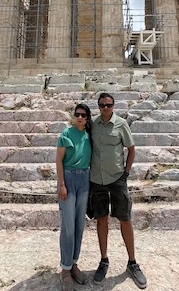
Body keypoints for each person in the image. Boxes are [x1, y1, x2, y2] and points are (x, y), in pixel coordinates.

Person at [89, 92, 147, 289]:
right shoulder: (92, 124)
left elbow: (131, 149)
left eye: (109, 105)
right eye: (102, 105)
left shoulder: (121, 123)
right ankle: (104, 260)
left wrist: (126, 173)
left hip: (117, 178)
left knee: (125, 219)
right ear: (98, 106)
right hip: (97, 179)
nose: (106, 108)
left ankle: (132, 262)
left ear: (113, 106)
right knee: (101, 219)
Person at [56, 103, 92, 290]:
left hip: (84, 179)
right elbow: (59, 160)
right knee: (68, 226)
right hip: (68, 179)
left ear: (87, 118)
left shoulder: (89, 135)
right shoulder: (66, 134)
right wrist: (62, 184)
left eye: (83, 115)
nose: (79, 117)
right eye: (77, 114)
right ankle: (65, 268)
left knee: (79, 224)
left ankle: (74, 263)